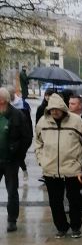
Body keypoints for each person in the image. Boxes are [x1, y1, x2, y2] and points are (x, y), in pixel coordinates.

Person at [34, 93, 82, 238]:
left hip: (72, 168)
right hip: (51, 169)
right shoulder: (43, 122)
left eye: (57, 109)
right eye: (52, 109)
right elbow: (37, 143)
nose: (54, 112)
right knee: (55, 201)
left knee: (74, 200)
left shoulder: (77, 121)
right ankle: (61, 227)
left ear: (63, 108)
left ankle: (75, 226)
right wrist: (42, 160)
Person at [0, 88, 32, 232]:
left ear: (3, 100)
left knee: (12, 190)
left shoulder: (17, 115)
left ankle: (12, 219)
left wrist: (19, 155)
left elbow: (27, 137)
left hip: (11, 160)